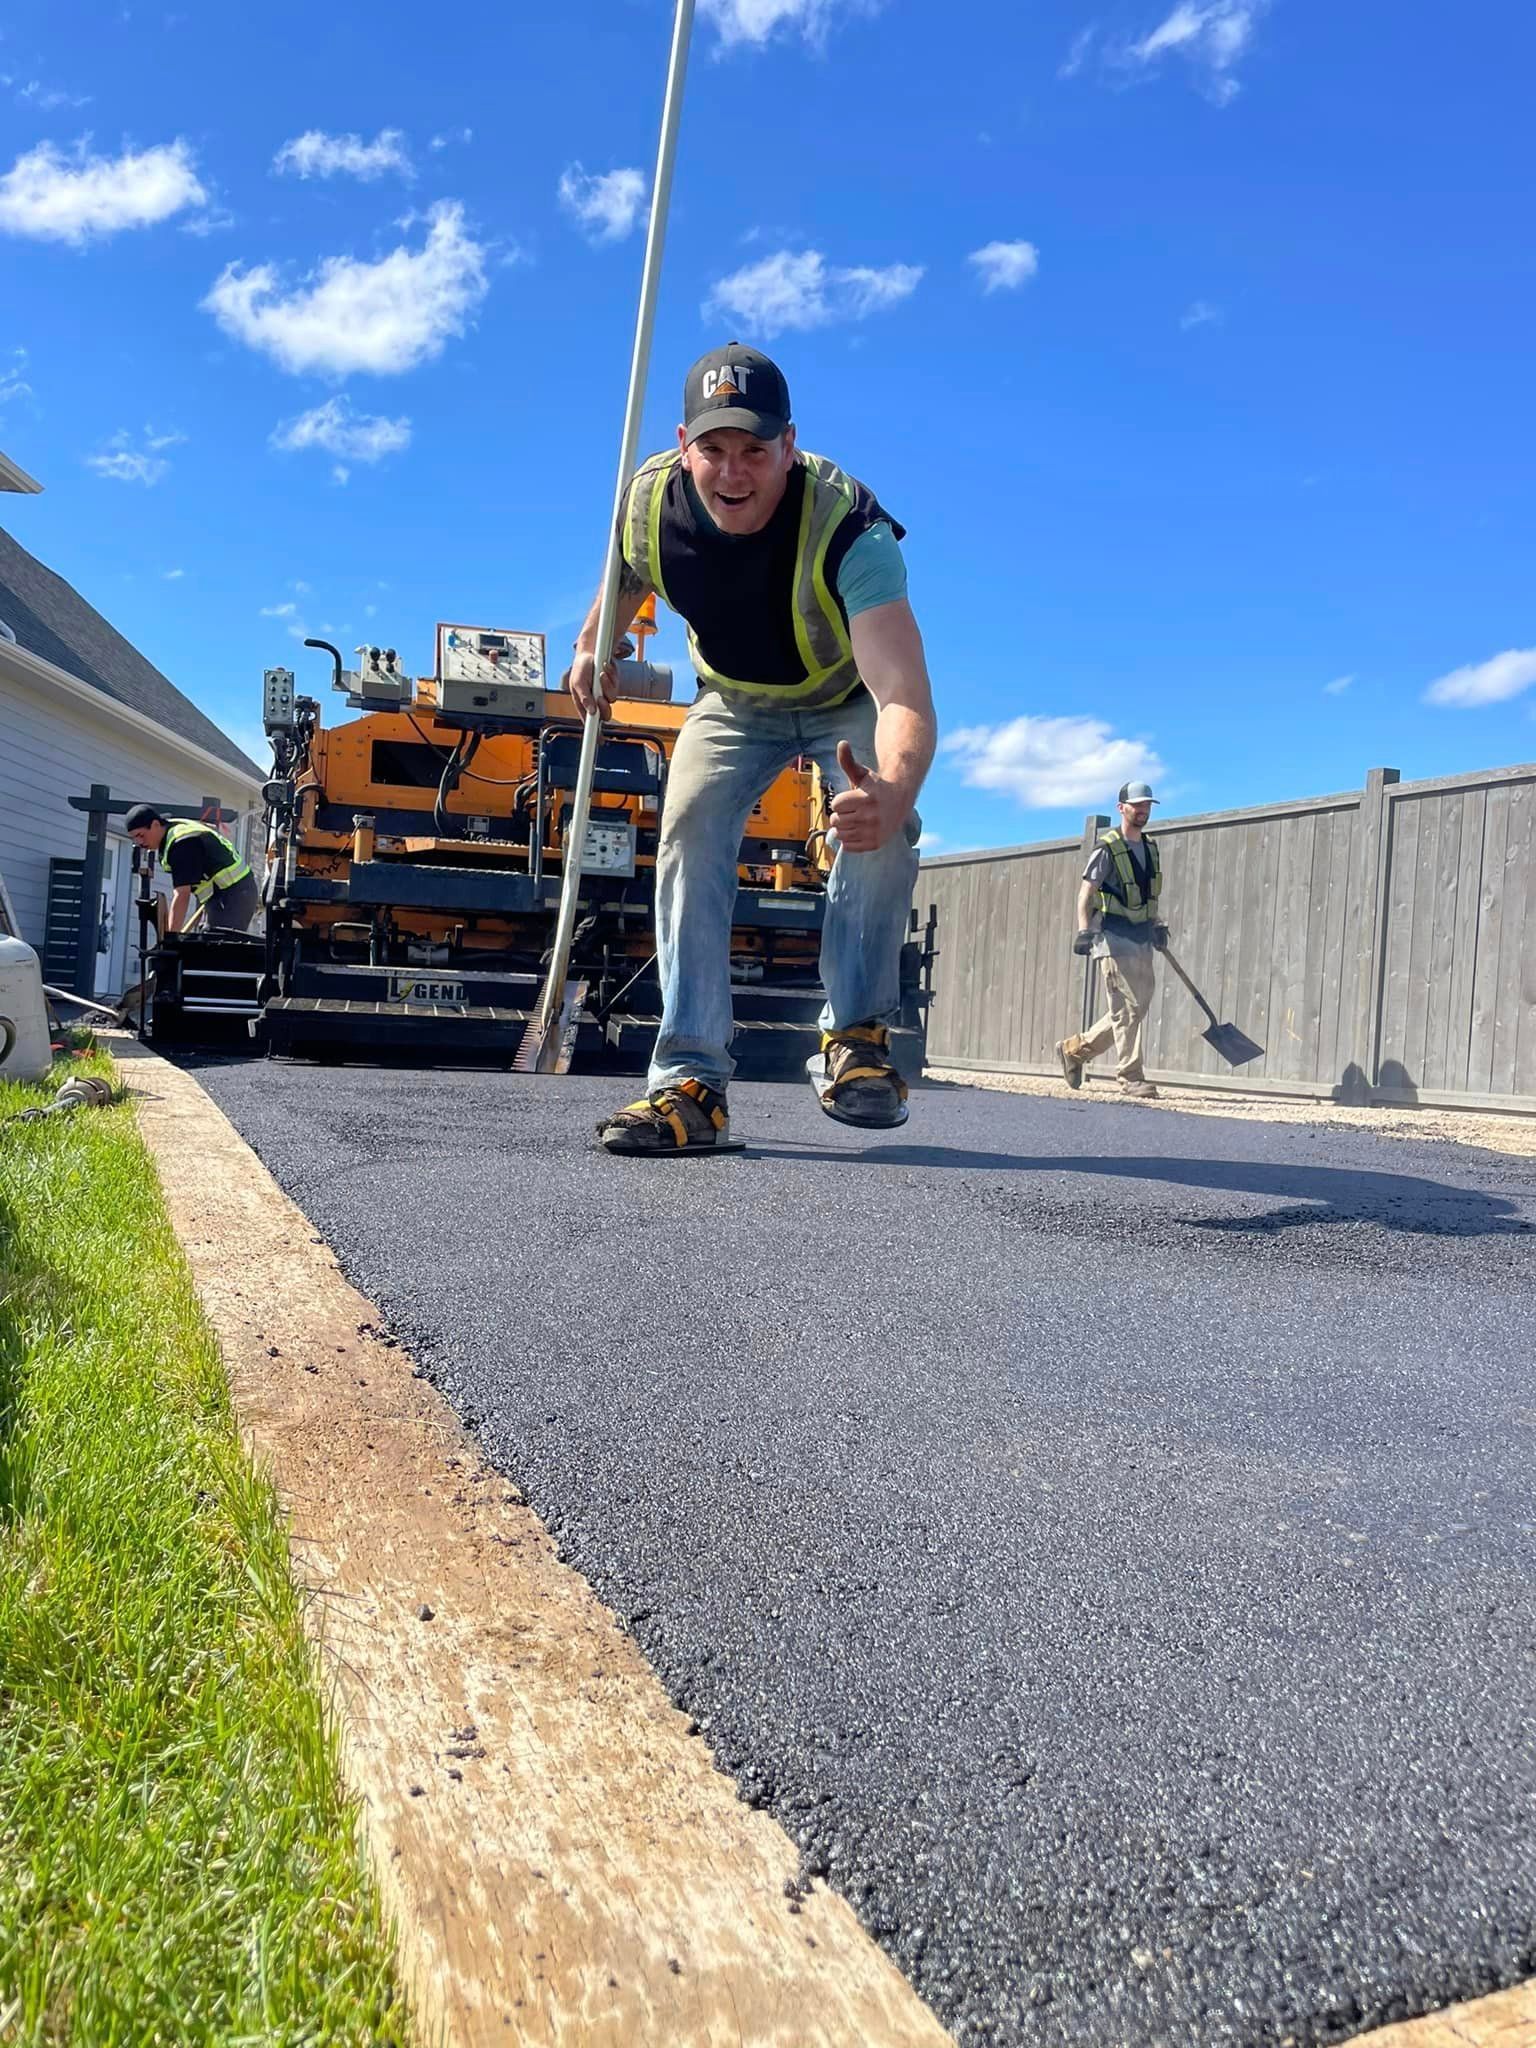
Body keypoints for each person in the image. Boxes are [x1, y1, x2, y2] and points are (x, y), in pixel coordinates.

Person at [565, 343, 938, 1155]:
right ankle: (691, 1085)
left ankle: (858, 1043)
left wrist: (895, 791)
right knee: (690, 822)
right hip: (734, 701)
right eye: (715, 449)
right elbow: (629, 568)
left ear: (790, 446)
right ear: (684, 442)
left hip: (844, 696)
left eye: (756, 452)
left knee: (882, 818)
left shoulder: (851, 530)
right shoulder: (647, 503)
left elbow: (904, 694)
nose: (734, 473)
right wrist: (595, 641)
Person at [1056, 781, 1168, 1100]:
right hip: (1112, 937)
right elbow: (1085, 895)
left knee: (1135, 1007)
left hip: (1141, 936)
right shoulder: (1107, 847)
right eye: (1137, 805)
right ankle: (1130, 1076)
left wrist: (1158, 925)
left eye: (1147, 805)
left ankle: (1075, 1050)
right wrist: (1083, 931)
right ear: (1122, 808)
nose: (1143, 810)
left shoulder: (1150, 848)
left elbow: (1149, 893)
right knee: (1129, 1005)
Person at [124, 805, 258, 934]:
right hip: (223, 896)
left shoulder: (182, 843)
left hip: (235, 895)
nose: (139, 842)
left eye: (140, 835)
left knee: (217, 947)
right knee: (204, 942)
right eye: (134, 838)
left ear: (155, 825)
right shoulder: (173, 831)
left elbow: (182, 894)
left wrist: (171, 938)